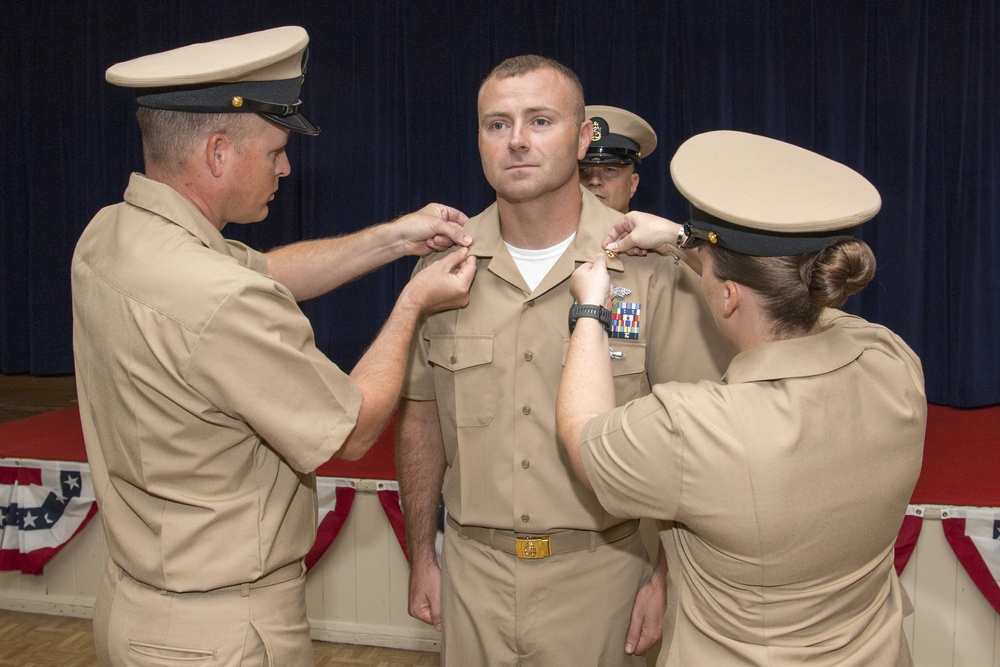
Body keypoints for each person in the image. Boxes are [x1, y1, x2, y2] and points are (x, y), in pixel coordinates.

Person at [72, 27, 477, 666]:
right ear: (217, 152)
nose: (285, 167)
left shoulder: (111, 235)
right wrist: (413, 304)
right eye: (276, 150)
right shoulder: (219, 300)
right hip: (224, 632)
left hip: (136, 607)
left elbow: (259, 272)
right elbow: (351, 430)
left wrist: (395, 239)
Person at [395, 55, 733, 665]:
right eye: (497, 124)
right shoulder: (442, 269)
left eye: (540, 120)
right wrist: (423, 554)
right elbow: (422, 420)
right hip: (473, 579)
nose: (517, 140)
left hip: (605, 578)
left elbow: (697, 438)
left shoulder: (649, 270)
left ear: (581, 138)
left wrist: (666, 577)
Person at [557, 130, 926, 666]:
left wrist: (590, 312)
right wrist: (686, 240)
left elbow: (583, 434)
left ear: (728, 298)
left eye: (710, 272)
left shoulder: (698, 427)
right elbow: (803, 305)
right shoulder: (893, 363)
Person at [579, 105, 657, 213]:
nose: (594, 181)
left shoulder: (656, 230)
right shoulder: (547, 230)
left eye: (609, 170)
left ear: (632, 185)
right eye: (582, 170)